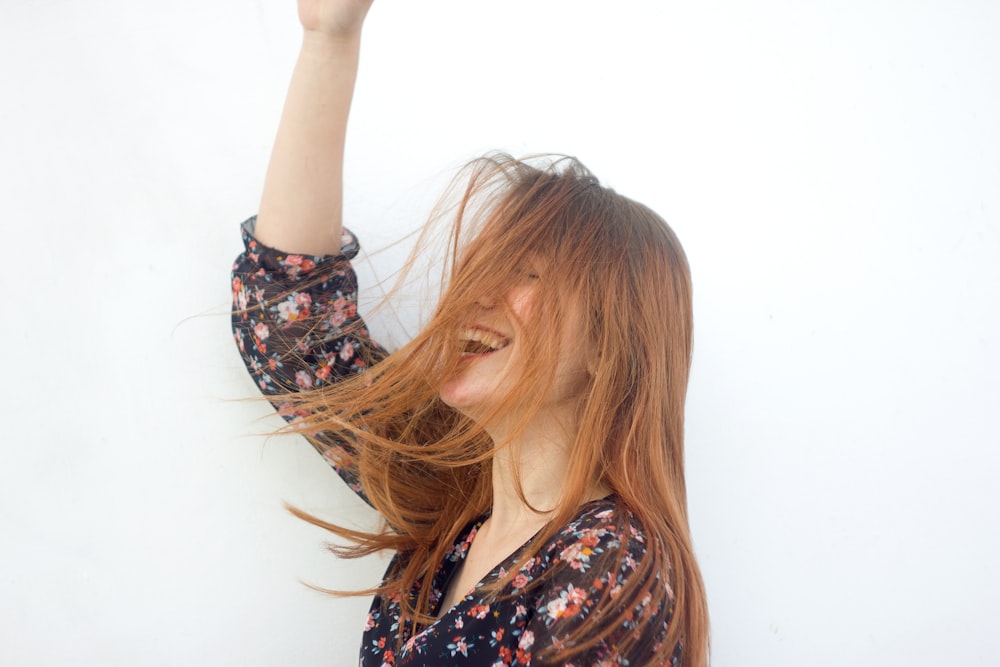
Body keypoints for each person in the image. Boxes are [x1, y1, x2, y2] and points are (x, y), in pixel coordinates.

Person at [231, 1, 709, 664]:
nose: (471, 295)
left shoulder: (611, 571)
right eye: (479, 266)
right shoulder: (458, 513)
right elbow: (288, 324)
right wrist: (328, 38)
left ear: (608, 346)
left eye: (526, 273)